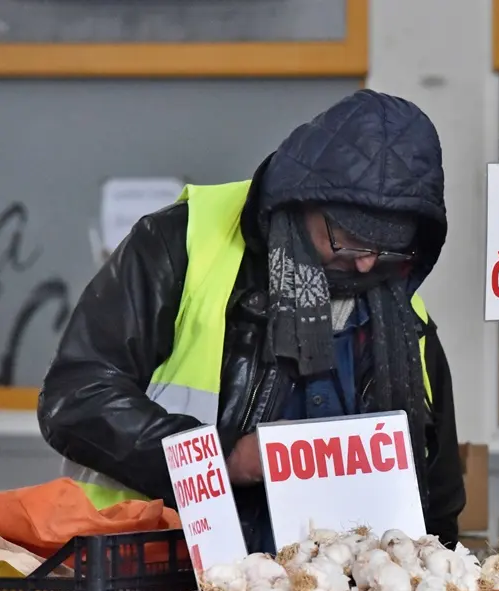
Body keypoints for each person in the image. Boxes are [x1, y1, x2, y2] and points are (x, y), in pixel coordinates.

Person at [36, 89, 465, 554]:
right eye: (349, 241)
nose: (366, 265)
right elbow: (75, 399)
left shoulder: (405, 317)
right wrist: (221, 460)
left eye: (388, 249)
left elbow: (436, 501)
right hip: (158, 585)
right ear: (304, 201)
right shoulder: (181, 244)